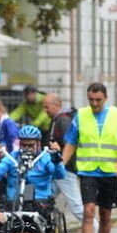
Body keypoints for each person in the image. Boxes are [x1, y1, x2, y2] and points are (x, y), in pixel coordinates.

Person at [60, 82, 117, 233]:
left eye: (98, 100)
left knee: (106, 214)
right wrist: (61, 163)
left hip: (110, 171)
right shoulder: (81, 115)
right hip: (87, 170)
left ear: (105, 98)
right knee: (88, 210)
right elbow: (70, 142)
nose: (94, 103)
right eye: (91, 99)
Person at [0, 125, 66, 215]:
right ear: (20, 144)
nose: (27, 148)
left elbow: (60, 175)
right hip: (14, 202)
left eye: (31, 145)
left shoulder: (44, 157)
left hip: (40, 201)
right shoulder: (12, 157)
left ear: (39, 145)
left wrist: (56, 160)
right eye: (24, 145)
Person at [43, 93, 83, 223]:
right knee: (43, 197)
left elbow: (70, 144)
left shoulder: (63, 120)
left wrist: (61, 159)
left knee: (77, 207)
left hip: (65, 170)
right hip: (57, 169)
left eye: (47, 107)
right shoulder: (57, 119)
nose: (45, 111)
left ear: (57, 105)